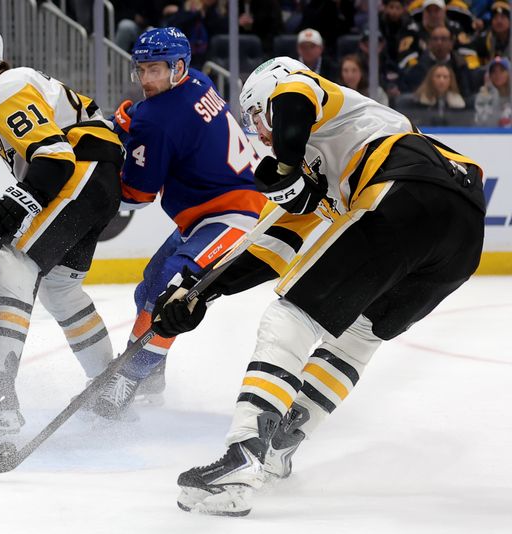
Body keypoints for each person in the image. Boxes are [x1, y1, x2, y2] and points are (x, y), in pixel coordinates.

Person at [152, 56, 485, 516]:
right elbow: (271, 245)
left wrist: (286, 163)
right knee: (356, 338)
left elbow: (294, 96)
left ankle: (244, 455)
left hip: (409, 192)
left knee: (289, 316)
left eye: (256, 118)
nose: (260, 135)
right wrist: (198, 291)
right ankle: (276, 452)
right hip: (463, 236)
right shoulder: (321, 166)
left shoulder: (312, 98)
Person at [0, 22, 123, 434]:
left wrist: (19, 201)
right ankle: (111, 387)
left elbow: (56, 158)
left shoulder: (6, 88)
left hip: (83, 171)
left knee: (12, 265)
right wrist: (18, 201)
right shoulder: (13, 91)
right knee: (60, 288)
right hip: (100, 183)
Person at [92, 27, 272, 417]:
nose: (145, 80)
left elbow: (138, 196)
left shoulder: (155, 117)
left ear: (177, 68)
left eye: (154, 70)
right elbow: (168, 118)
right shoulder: (198, 81)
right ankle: (151, 374)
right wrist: (133, 121)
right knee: (151, 283)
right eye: (141, 70)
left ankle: (132, 375)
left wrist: (108, 165)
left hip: (235, 217)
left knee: (169, 290)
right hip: (209, 216)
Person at [474, 55, 512, 126]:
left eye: (502, 70)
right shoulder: (483, 95)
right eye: (493, 71)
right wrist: (486, 92)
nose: (497, 74)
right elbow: (480, 121)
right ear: (489, 75)